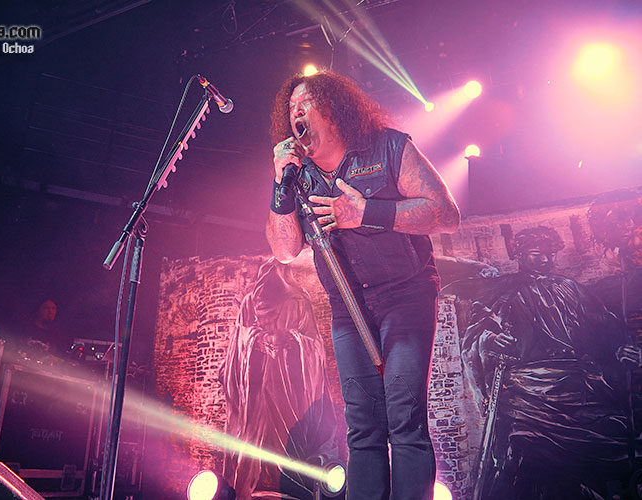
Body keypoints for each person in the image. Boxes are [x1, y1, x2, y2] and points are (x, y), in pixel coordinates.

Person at [265, 71, 460, 500]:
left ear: (334, 110)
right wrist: (280, 184)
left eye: (306, 103)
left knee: (404, 416)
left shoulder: (388, 147)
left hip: (405, 295)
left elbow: (446, 214)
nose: (296, 112)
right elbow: (284, 249)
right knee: (363, 424)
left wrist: (366, 212)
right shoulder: (297, 176)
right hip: (348, 307)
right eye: (291, 108)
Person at [460, 226, 641, 499]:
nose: (545, 260)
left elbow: (604, 326)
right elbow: (476, 336)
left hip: (577, 388)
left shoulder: (570, 288)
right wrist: (491, 341)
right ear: (519, 254)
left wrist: (621, 349)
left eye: (550, 254)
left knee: (607, 443)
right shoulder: (500, 292)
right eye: (537, 254)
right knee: (524, 455)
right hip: (526, 393)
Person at [220, 258, 339, 499]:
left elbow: (314, 346)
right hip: (254, 398)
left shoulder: (298, 301)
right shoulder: (250, 302)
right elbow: (238, 343)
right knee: (252, 453)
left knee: (290, 448)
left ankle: (289, 490)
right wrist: (257, 339)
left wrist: (290, 340)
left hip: (290, 396)